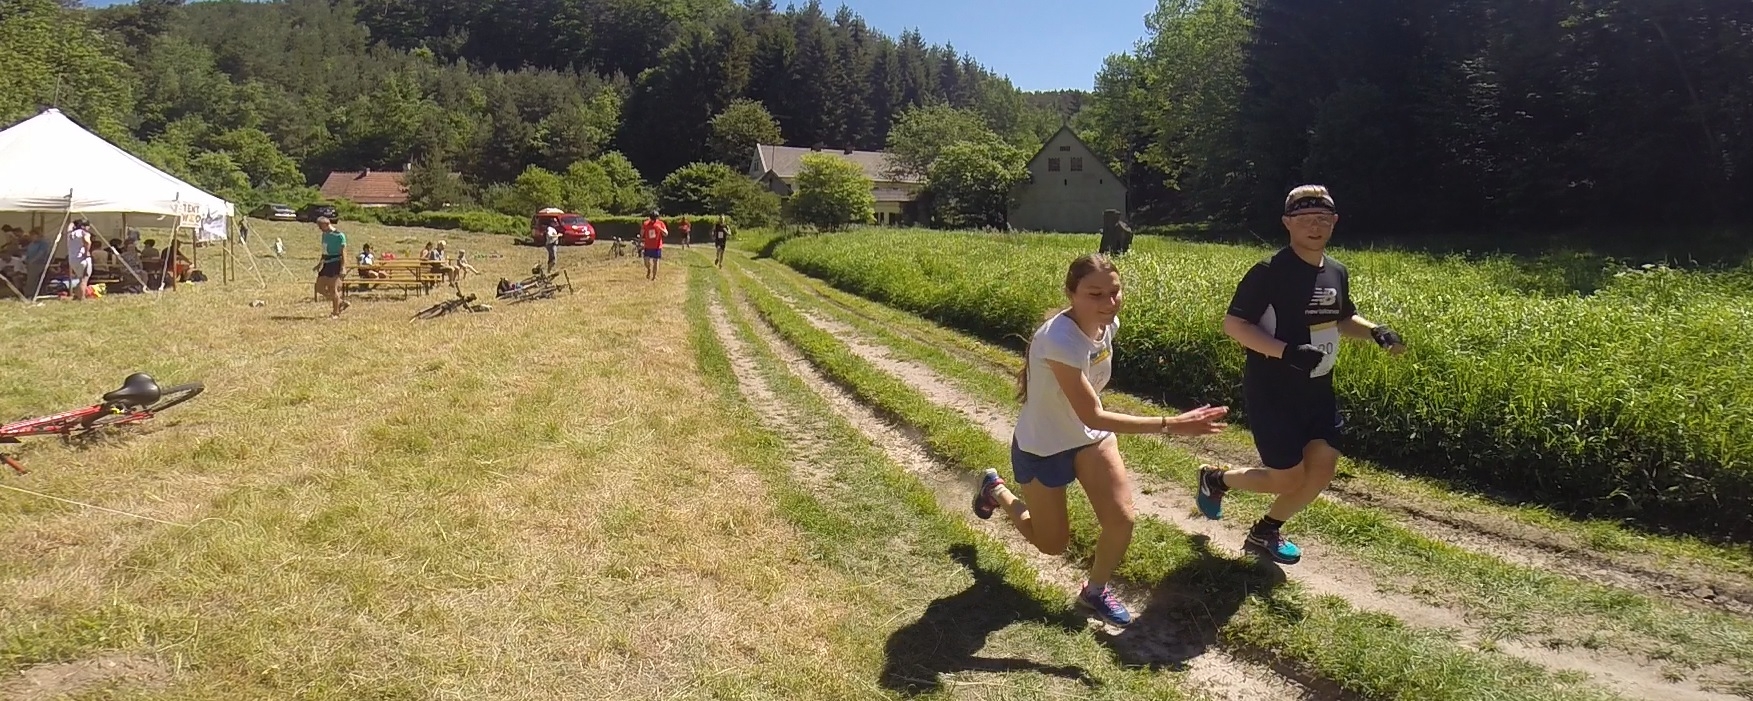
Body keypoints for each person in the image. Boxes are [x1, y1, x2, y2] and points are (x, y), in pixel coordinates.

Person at [971, 253, 1230, 627]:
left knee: (1121, 520)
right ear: (1071, 293)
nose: (1109, 302)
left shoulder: (1107, 325)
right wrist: (1172, 423)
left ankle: (1094, 592)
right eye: (1095, 294)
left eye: (1115, 292)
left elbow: (1091, 414)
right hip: (1043, 445)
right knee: (1051, 544)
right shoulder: (1060, 339)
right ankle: (995, 490)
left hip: (1089, 439)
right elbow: (1091, 412)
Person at [1195, 185, 1406, 566]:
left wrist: (1375, 330)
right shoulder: (1269, 272)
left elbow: (1341, 319)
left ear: (1335, 222)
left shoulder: (1337, 271)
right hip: (1273, 390)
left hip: (1319, 389)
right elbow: (1235, 324)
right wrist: (1286, 352)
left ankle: (1265, 531)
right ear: (1287, 223)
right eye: (1305, 219)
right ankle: (1216, 480)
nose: (1315, 226)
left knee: (1322, 468)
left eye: (1323, 219)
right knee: (1288, 478)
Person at [312, 217, 348, 319]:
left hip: (336, 263)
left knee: (333, 289)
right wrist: (320, 263)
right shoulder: (324, 235)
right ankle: (340, 303)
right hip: (326, 263)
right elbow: (324, 250)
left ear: (327, 224)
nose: (319, 228)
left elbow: (344, 253)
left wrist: (343, 267)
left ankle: (335, 313)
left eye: (321, 226)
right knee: (319, 287)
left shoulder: (339, 236)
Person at [65, 219, 94, 300]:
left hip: (72, 259)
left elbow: (69, 226)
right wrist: (86, 252)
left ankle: (77, 295)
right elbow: (87, 242)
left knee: (80, 278)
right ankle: (82, 297)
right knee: (84, 278)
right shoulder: (84, 232)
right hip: (82, 258)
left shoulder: (70, 234)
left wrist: (72, 223)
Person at [640, 210, 667, 281]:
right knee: (646, 261)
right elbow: (642, 233)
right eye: (652, 219)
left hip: (657, 246)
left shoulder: (660, 223)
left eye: (655, 219)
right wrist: (640, 240)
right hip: (648, 246)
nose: (653, 220)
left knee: (656, 261)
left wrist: (660, 229)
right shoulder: (645, 224)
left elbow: (666, 233)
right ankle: (649, 269)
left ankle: (654, 277)